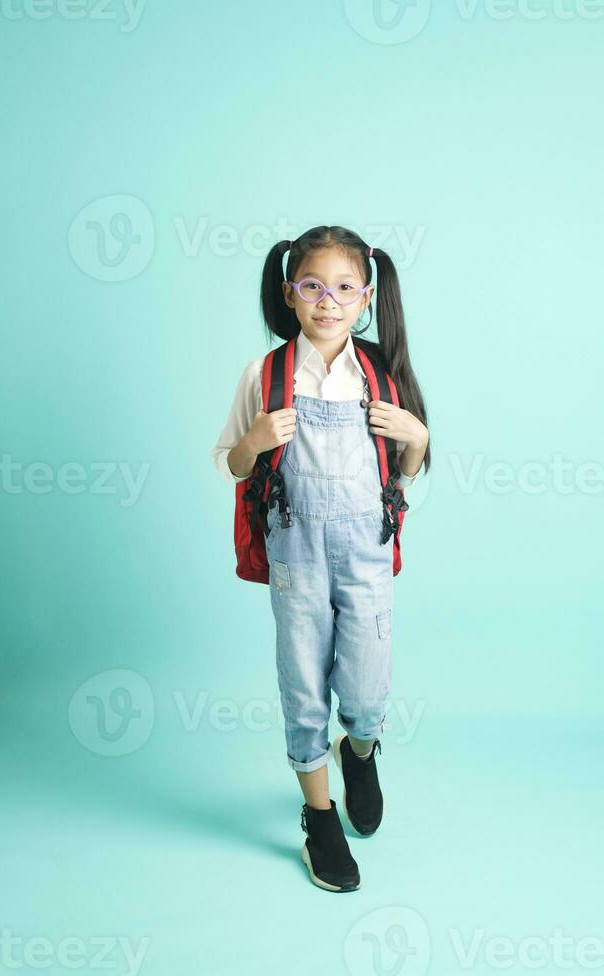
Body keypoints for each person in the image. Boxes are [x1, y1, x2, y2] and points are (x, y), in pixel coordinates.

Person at [211, 225, 430, 891]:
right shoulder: (265, 374)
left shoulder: (381, 377)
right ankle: (319, 816)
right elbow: (231, 465)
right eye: (311, 287)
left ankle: (358, 752)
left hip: (365, 552)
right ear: (289, 293)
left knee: (366, 689)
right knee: (303, 687)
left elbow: (404, 475)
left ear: (365, 295)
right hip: (295, 554)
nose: (326, 301)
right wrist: (252, 439)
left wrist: (418, 438)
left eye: (342, 288)